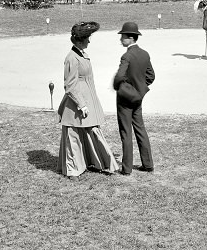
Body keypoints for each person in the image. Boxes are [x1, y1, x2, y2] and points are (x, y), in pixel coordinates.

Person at [57, 22, 118, 180]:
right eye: (87, 39)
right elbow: (70, 86)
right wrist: (81, 104)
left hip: (88, 99)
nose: (89, 41)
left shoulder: (81, 54)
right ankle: (73, 170)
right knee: (73, 136)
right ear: (79, 40)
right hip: (76, 103)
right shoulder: (71, 58)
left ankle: (97, 163)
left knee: (92, 131)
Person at [113, 22, 155, 175]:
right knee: (140, 129)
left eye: (122, 36)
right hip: (138, 98)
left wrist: (122, 88)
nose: (120, 39)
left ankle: (127, 168)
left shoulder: (126, 56)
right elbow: (151, 76)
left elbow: (119, 77)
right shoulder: (144, 54)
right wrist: (140, 89)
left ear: (130, 38)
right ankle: (148, 164)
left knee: (126, 133)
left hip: (125, 100)